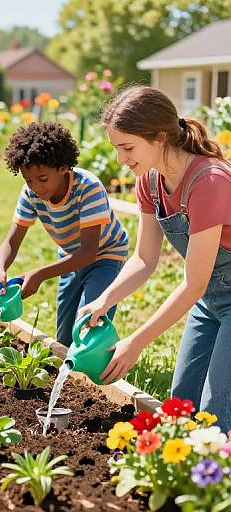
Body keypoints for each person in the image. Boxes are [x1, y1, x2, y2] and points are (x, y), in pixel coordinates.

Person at [79, 85, 231, 430]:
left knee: (216, 417)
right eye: (117, 148)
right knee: (180, 405)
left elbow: (193, 284)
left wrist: (135, 343)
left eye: (128, 147)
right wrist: (106, 299)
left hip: (210, 292)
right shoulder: (149, 182)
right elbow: (145, 259)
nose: (121, 158)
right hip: (210, 301)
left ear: (160, 137)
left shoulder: (209, 181)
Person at [0, 122, 128, 347]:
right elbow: (12, 242)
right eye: (29, 180)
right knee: (63, 340)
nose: (36, 187)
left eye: (42, 179)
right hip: (70, 257)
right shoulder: (31, 193)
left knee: (87, 325)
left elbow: (89, 253)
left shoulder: (87, 188)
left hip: (105, 255)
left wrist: (40, 274)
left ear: (63, 167)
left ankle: (99, 362)